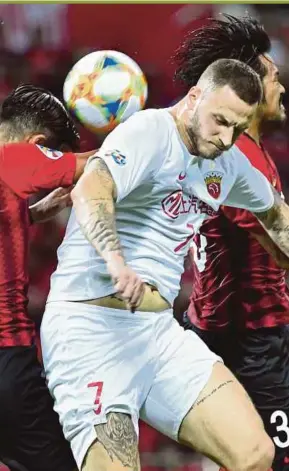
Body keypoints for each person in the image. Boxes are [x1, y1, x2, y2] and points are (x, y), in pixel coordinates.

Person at [40, 58, 279, 471]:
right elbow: (91, 188)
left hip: (158, 336)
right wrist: (116, 262)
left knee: (255, 454)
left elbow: (278, 218)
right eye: (219, 120)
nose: (226, 137)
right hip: (90, 332)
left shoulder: (229, 163)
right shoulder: (150, 132)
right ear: (192, 99)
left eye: (238, 128)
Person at [174, 15, 289, 471]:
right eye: (275, 78)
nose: (282, 85)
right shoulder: (238, 164)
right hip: (247, 340)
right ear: (251, 91)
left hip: (249, 332)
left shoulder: (242, 154)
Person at [0, 84, 95, 471]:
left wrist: (32, 212)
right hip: (6, 356)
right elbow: (99, 161)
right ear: (37, 142)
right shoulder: (11, 157)